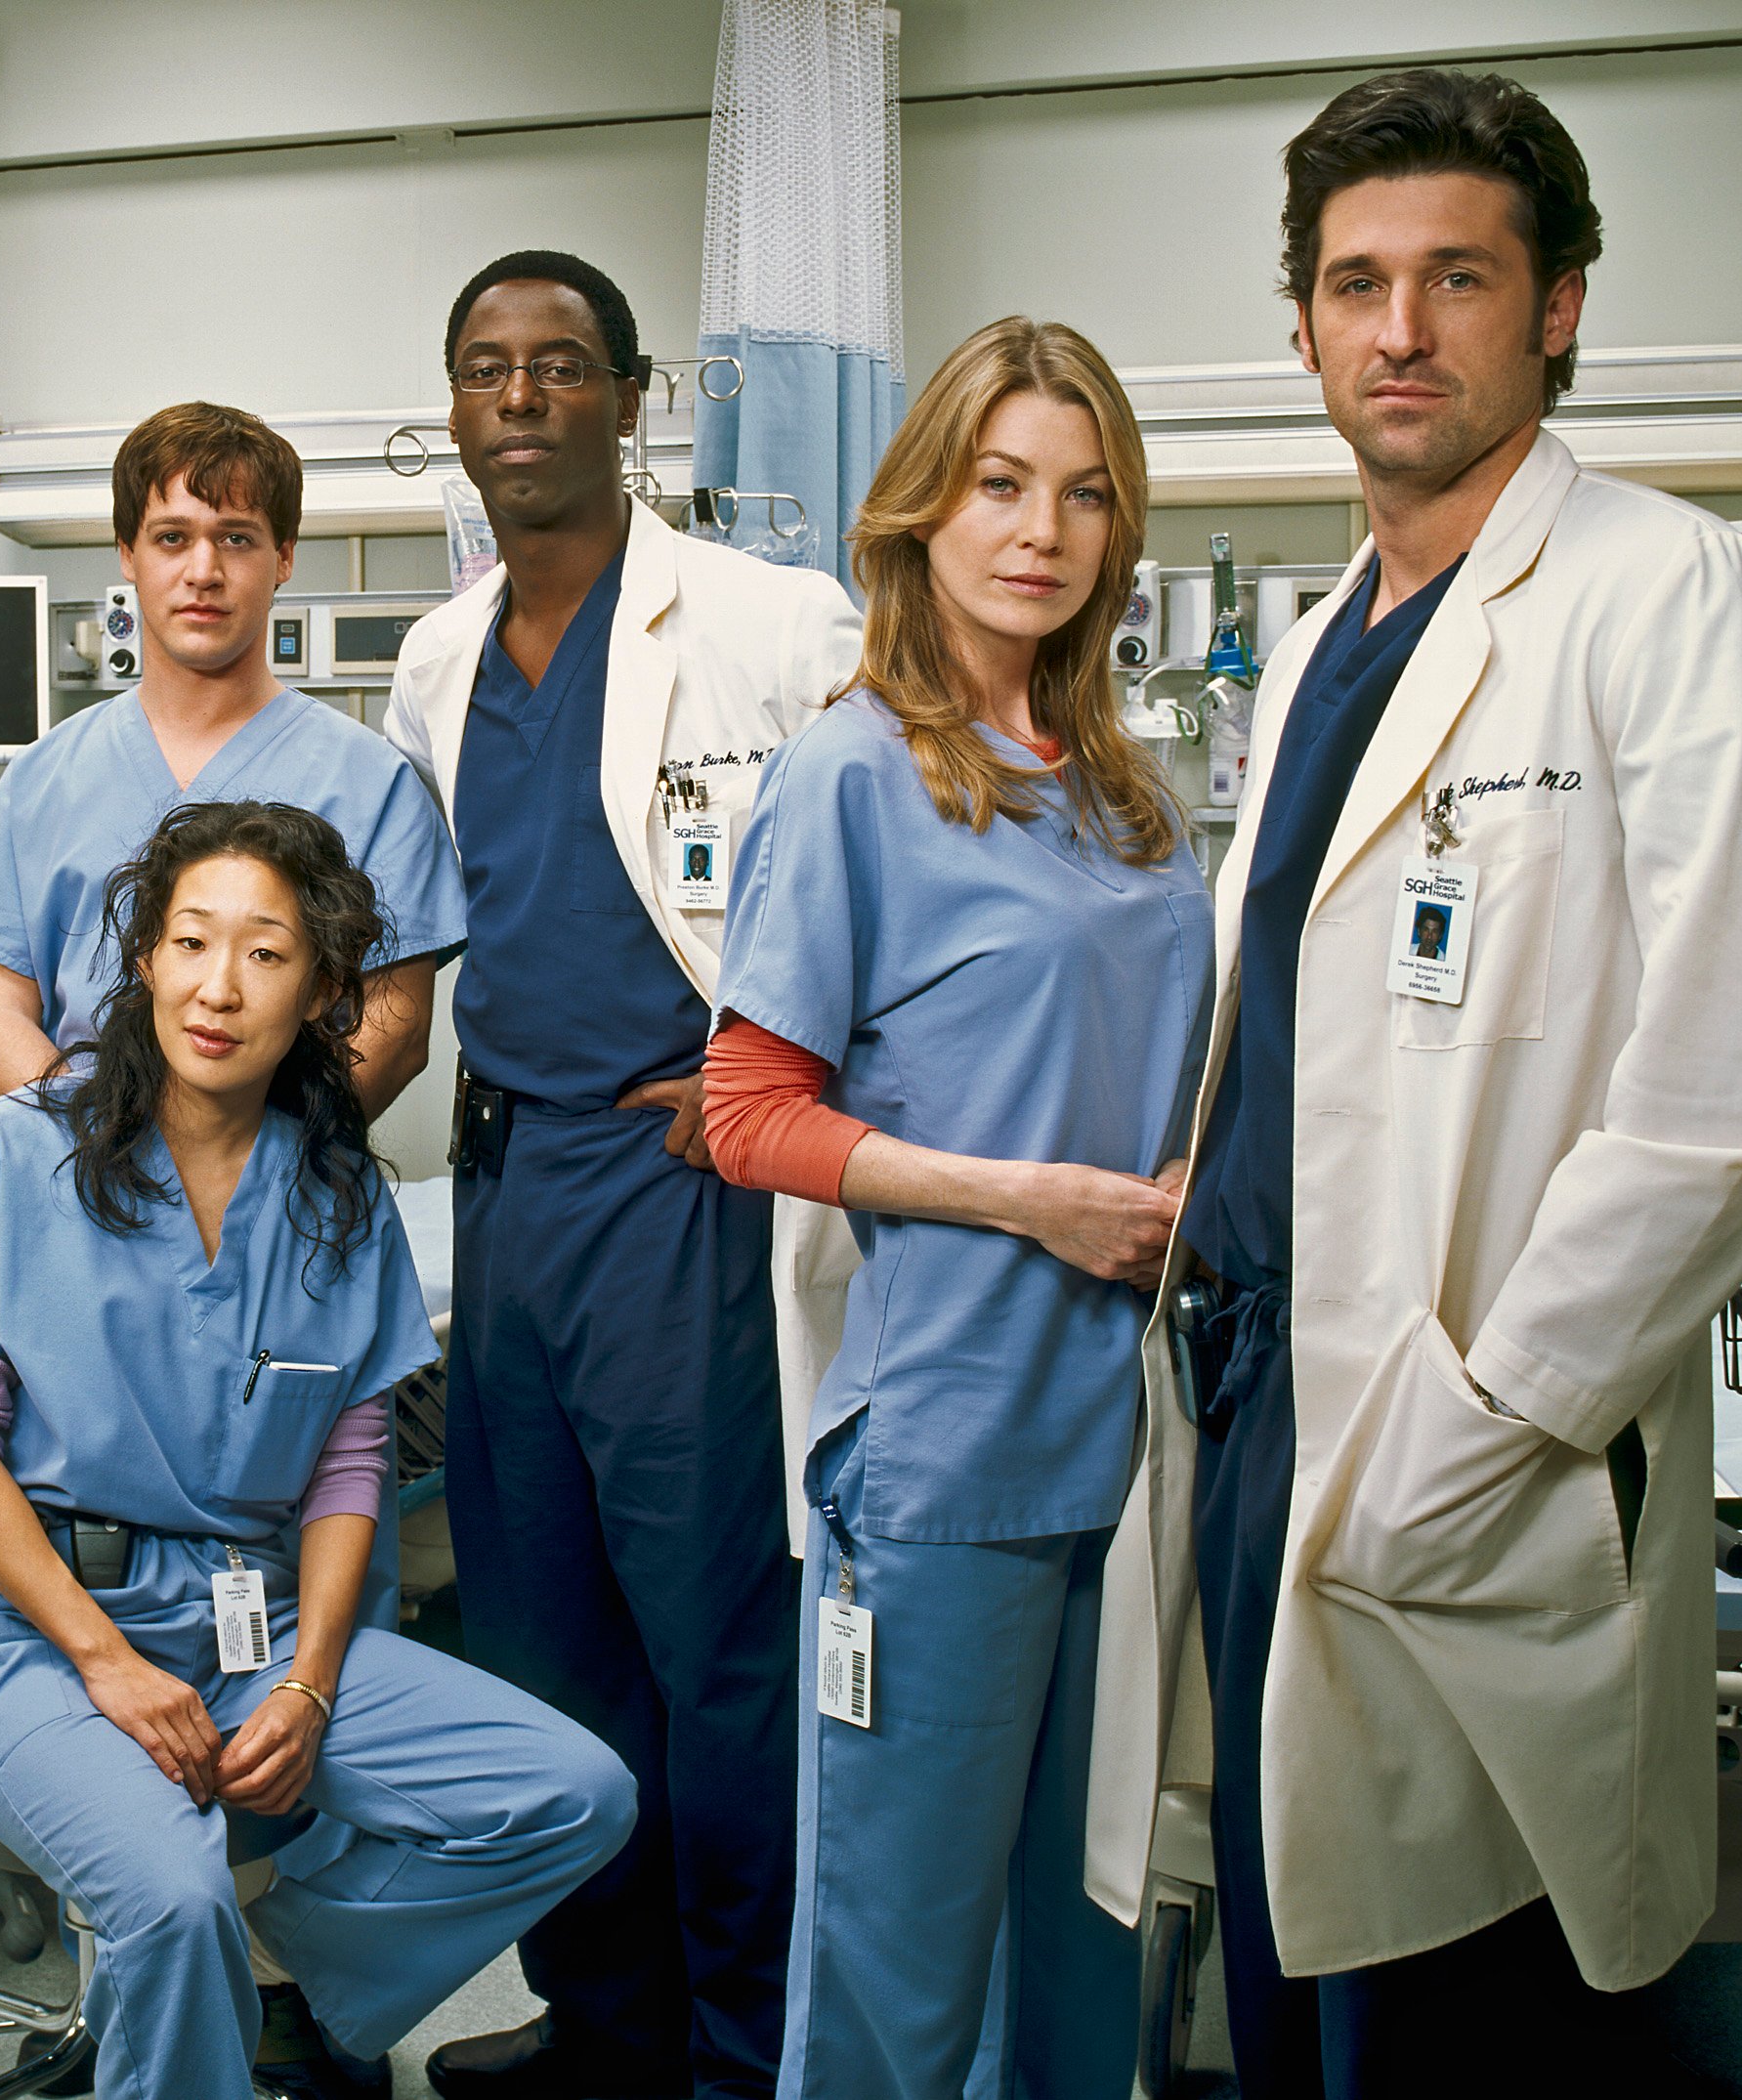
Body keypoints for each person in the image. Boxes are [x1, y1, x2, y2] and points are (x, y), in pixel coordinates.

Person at [1083, 69, 1742, 2094]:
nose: (1401, 329)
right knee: (1289, 1968)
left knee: (1466, 2006)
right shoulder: (1341, 621)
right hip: (1262, 1409)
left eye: (1456, 277)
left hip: (1469, 1432)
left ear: (1561, 308)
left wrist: (1498, 1414)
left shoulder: (1675, 596)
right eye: (1357, 284)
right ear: (1308, 329)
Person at [0, 799, 635, 2100]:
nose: (218, 987)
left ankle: (263, 1979)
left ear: (325, 989)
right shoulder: (21, 1150)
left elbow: (350, 1469)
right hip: (32, 1646)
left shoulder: (334, 1192)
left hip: (246, 1638)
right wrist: (107, 1662)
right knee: (174, 1901)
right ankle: (185, 2004)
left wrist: (310, 1684)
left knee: (575, 1791)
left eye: (267, 954)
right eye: (190, 942)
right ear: (143, 962)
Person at [703, 319, 1211, 2098]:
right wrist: (1034, 1204)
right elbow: (748, 1112)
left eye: (1082, 493)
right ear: (922, 508)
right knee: (900, 1978)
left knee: (1089, 1952)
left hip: (1129, 1439)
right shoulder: (856, 771)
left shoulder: (1134, 795)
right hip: (944, 1456)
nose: (1039, 529)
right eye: (999, 483)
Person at [385, 251, 863, 2100]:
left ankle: (748, 2051)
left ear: (632, 397)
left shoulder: (771, 620)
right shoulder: (435, 659)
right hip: (512, 1184)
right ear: (455, 406)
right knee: (538, 1629)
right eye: (487, 366)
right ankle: (607, 2016)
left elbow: (876, 880)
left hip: (687, 1196)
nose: (521, 397)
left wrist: (770, 1068)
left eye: (561, 365)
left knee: (717, 1643)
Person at [0, 401, 463, 1114]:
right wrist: (92, 1155)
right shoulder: (43, 779)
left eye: (237, 538)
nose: (203, 570)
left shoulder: (372, 786)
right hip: (77, 1181)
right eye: (171, 537)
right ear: (127, 552)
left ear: (284, 556)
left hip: (276, 1189)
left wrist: (252, 1163)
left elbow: (394, 1028)